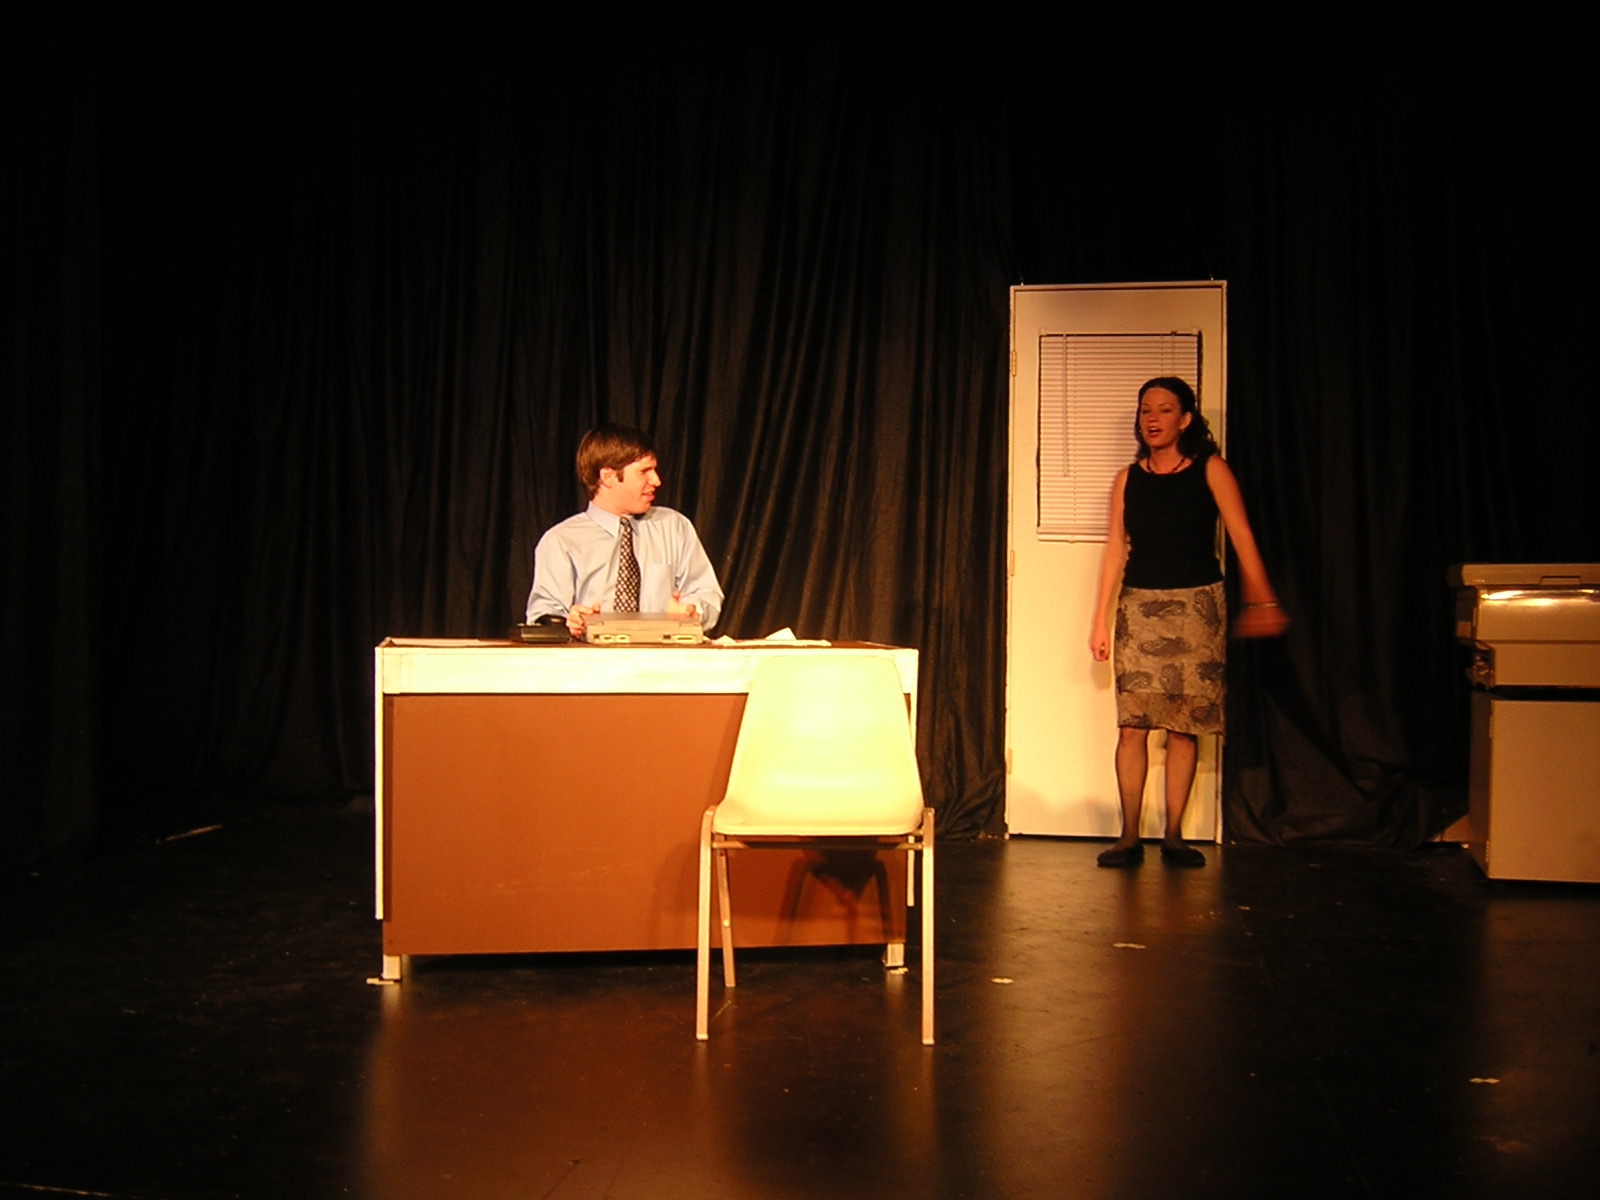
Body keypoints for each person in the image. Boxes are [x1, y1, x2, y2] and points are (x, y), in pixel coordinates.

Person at [1088, 377, 1286, 868]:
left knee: (1184, 727)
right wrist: (1099, 620)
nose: (1152, 418)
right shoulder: (1127, 479)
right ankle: (1128, 836)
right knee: (1133, 727)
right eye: (1145, 410)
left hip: (1199, 609)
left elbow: (1240, 534)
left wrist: (1261, 595)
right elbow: (1114, 548)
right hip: (1139, 608)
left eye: (1163, 409)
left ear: (1185, 419)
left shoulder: (1210, 469)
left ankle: (1174, 835)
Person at [525, 423, 723, 638]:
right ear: (608, 477)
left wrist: (692, 612)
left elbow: (706, 592)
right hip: (590, 656)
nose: (656, 481)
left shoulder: (674, 527)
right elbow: (543, 617)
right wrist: (567, 624)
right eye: (644, 471)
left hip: (662, 656)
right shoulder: (561, 541)